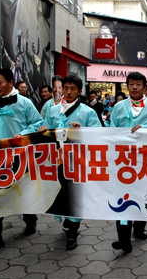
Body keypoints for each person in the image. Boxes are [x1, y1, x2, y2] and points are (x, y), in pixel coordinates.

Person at [0, 68, 43, 255]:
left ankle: (30, 220)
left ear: (10, 82)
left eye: (0, 82)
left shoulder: (24, 103)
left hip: (19, 157)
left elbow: (37, 123)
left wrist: (22, 134)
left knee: (22, 192)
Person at [39, 75, 102, 250]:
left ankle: (72, 233)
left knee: (75, 195)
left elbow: (99, 134)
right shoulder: (53, 110)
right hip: (57, 160)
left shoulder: (87, 112)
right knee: (61, 192)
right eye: (65, 88)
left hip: (77, 162)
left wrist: (82, 132)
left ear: (80, 92)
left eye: (72, 88)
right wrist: (44, 130)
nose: (67, 92)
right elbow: (46, 129)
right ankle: (67, 221)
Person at [110, 72, 147, 253]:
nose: (134, 87)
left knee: (142, 195)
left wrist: (146, 129)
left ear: (145, 87)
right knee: (123, 197)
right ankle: (124, 239)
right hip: (123, 160)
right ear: (127, 86)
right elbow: (111, 131)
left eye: (138, 84)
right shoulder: (117, 107)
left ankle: (139, 228)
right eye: (131, 84)